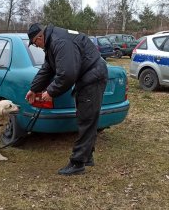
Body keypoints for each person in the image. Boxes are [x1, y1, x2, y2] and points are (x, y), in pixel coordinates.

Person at [25, 23, 108, 175]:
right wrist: (34, 89)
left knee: (87, 120)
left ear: (39, 37)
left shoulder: (60, 42)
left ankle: (78, 163)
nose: (36, 46)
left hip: (93, 76)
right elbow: (47, 69)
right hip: (87, 77)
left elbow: (67, 74)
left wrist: (50, 92)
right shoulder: (52, 42)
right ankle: (87, 156)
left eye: (34, 43)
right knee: (85, 117)